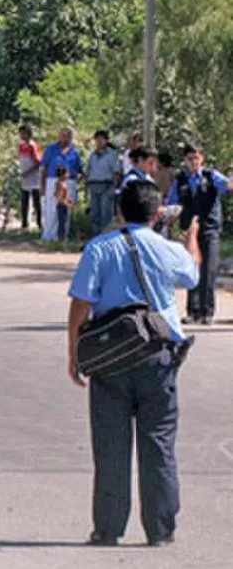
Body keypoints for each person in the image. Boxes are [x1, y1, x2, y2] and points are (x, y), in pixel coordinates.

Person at [67, 179, 200, 548]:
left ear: (120, 211)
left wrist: (73, 354)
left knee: (110, 445)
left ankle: (108, 529)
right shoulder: (167, 248)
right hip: (158, 357)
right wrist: (192, 241)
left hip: (110, 357)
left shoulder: (98, 249)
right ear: (158, 214)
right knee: (158, 443)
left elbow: (80, 303)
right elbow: (192, 274)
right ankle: (160, 530)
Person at [166, 144, 231, 325]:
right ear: (185, 160)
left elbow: (227, 187)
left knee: (208, 270)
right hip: (189, 231)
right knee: (191, 269)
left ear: (202, 158)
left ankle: (207, 311)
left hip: (210, 228)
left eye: (196, 157)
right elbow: (173, 203)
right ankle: (193, 311)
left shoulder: (211, 176)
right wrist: (169, 221)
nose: (193, 161)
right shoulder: (180, 180)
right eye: (190, 158)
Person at [40, 128, 83, 242]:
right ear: (59, 136)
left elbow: (79, 170)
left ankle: (63, 236)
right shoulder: (50, 149)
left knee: (66, 210)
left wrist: (75, 184)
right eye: (63, 135)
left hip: (69, 181)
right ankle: (49, 236)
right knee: (51, 209)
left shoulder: (75, 152)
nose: (65, 138)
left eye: (67, 136)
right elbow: (43, 169)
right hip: (52, 180)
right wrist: (42, 186)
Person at [86, 130, 118, 237]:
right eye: (97, 139)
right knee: (95, 213)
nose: (99, 142)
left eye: (102, 139)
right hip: (93, 185)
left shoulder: (112, 155)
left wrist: (114, 187)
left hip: (106, 185)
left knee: (106, 213)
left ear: (106, 140)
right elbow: (88, 171)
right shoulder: (92, 156)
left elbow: (116, 172)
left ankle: (106, 237)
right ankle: (96, 236)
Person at [17, 126, 43, 231]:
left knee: (37, 201)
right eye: (21, 133)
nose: (22, 136)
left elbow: (38, 163)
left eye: (24, 133)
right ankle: (24, 224)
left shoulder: (33, 146)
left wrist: (28, 172)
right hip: (24, 177)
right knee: (24, 201)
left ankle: (39, 223)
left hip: (34, 177)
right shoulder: (21, 146)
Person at [54, 166, 75, 243]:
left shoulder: (64, 183)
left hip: (65, 205)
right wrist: (67, 204)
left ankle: (63, 238)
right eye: (67, 173)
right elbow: (58, 196)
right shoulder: (59, 184)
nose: (68, 174)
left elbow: (66, 195)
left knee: (65, 222)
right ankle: (61, 240)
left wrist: (69, 201)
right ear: (62, 174)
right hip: (61, 206)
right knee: (61, 223)